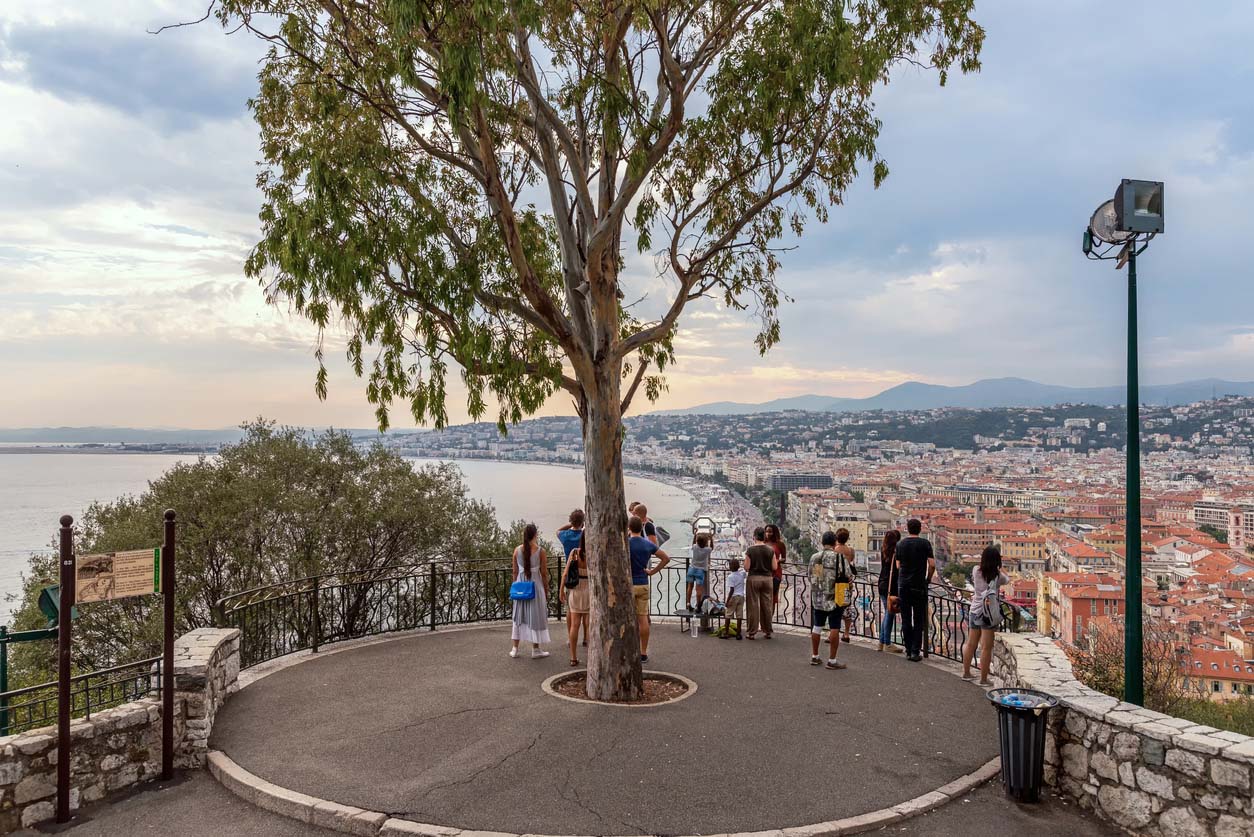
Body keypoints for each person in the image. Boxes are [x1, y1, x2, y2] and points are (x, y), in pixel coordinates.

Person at [808, 530, 856, 669]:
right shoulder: (839, 558)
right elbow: (848, 575)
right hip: (835, 597)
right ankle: (832, 660)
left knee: (817, 626)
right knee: (835, 627)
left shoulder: (815, 557)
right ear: (834, 542)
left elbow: (812, 576)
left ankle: (815, 656)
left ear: (823, 542)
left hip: (818, 597)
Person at [962, 545, 1010, 684]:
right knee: (986, 648)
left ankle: (966, 673)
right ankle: (983, 679)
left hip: (974, 610)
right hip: (988, 614)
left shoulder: (976, 570)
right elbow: (1008, 580)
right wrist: (1000, 568)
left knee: (971, 644)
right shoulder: (998, 576)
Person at [629, 516, 670, 663]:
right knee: (643, 619)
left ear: (629, 528)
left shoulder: (626, 544)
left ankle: (629, 648)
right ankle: (643, 652)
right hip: (643, 583)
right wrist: (652, 572)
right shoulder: (647, 544)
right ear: (642, 528)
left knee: (628, 619)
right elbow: (666, 558)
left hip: (628, 585)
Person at [894, 518, 936, 662]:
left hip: (903, 584)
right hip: (919, 585)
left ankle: (907, 649)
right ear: (920, 529)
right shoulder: (925, 544)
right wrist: (928, 579)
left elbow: (898, 565)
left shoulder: (900, 544)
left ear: (907, 529)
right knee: (919, 619)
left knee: (905, 618)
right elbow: (932, 564)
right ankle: (915, 651)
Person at [510, 523, 550, 659]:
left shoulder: (517, 550)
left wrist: (515, 586)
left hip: (520, 587)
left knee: (518, 616)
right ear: (535, 535)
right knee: (535, 616)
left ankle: (515, 649)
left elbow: (515, 572)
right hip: (535, 586)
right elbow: (544, 574)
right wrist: (546, 589)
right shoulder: (541, 551)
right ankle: (536, 649)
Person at [557, 530, 591, 666]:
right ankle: (590, 657)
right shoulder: (594, 553)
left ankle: (573, 657)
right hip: (589, 591)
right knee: (588, 625)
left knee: (574, 625)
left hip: (575, 591)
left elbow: (565, 574)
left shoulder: (575, 553)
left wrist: (561, 591)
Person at [556, 509, 587, 647]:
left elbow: (557, 531)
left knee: (571, 610)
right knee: (587, 610)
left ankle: (570, 637)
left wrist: (571, 524)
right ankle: (586, 637)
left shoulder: (565, 535)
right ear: (583, 521)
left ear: (571, 520)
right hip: (586, 575)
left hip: (571, 575)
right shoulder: (585, 535)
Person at [744, 527, 778, 640]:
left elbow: (746, 567)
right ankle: (767, 631)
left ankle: (752, 632)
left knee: (753, 606)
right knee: (767, 606)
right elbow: (774, 567)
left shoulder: (750, 550)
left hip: (753, 579)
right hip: (767, 579)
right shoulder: (770, 550)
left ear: (754, 536)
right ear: (764, 537)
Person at [877, 529, 903, 653]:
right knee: (890, 614)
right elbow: (899, 569)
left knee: (888, 613)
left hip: (882, 583)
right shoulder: (896, 553)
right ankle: (887, 642)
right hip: (891, 586)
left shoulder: (883, 550)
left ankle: (881, 642)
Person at [685, 533, 712, 614]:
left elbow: (693, 543)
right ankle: (698, 606)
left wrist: (694, 535)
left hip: (691, 569)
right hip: (700, 571)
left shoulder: (695, 547)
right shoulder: (707, 550)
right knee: (698, 590)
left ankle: (688, 603)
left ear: (697, 541)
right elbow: (712, 547)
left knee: (690, 587)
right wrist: (711, 539)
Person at [764, 524, 787, 608]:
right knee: (763, 597)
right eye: (766, 531)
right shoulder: (763, 542)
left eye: (770, 532)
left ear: (774, 532)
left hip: (775, 573)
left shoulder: (780, 544)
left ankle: (769, 618)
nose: (768, 534)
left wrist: (777, 561)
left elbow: (784, 559)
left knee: (772, 598)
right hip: (764, 572)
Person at [724, 558, 746, 640]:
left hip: (734, 596)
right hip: (741, 596)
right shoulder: (742, 574)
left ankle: (726, 633)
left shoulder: (730, 577)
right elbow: (745, 570)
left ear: (730, 567)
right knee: (739, 615)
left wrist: (727, 600)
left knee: (728, 614)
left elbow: (731, 590)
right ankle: (738, 634)